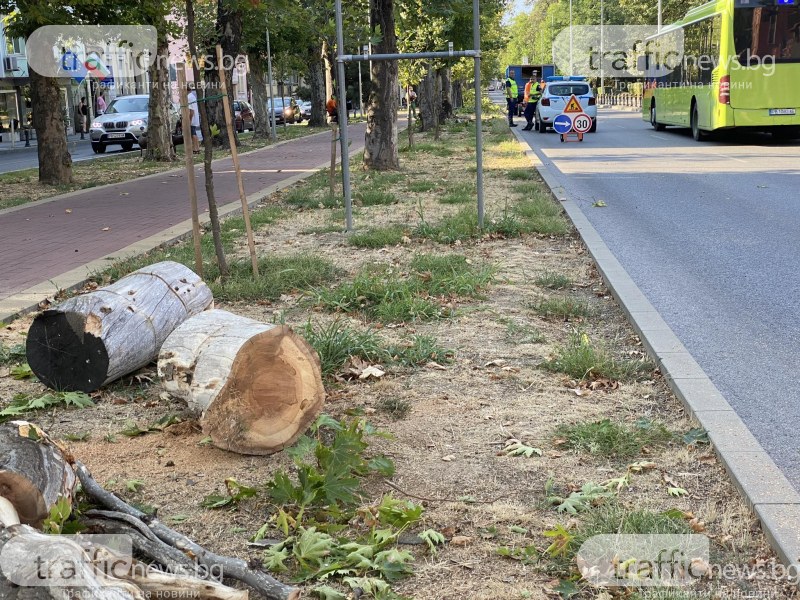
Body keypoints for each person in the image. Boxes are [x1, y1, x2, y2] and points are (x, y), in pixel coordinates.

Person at [187, 83, 201, 154]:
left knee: (193, 134)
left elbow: (191, 111)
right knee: (194, 133)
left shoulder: (189, 98)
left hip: (192, 118)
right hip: (194, 117)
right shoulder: (192, 96)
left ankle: (195, 148)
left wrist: (189, 120)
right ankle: (197, 147)